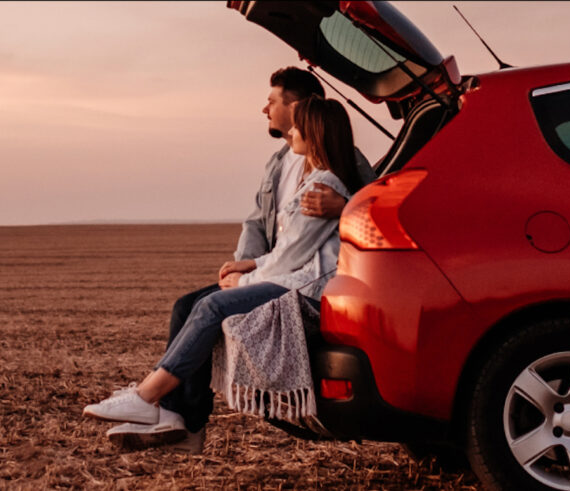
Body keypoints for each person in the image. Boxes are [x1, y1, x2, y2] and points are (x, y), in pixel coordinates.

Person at [83, 96, 367, 453]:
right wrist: (251, 265)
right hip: (297, 278)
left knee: (214, 306)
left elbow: (290, 258)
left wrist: (243, 282)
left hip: (307, 287)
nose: (291, 131)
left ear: (315, 132)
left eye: (298, 125)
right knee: (196, 305)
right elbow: (286, 248)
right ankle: (169, 414)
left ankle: (146, 397)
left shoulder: (321, 186)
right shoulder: (310, 177)